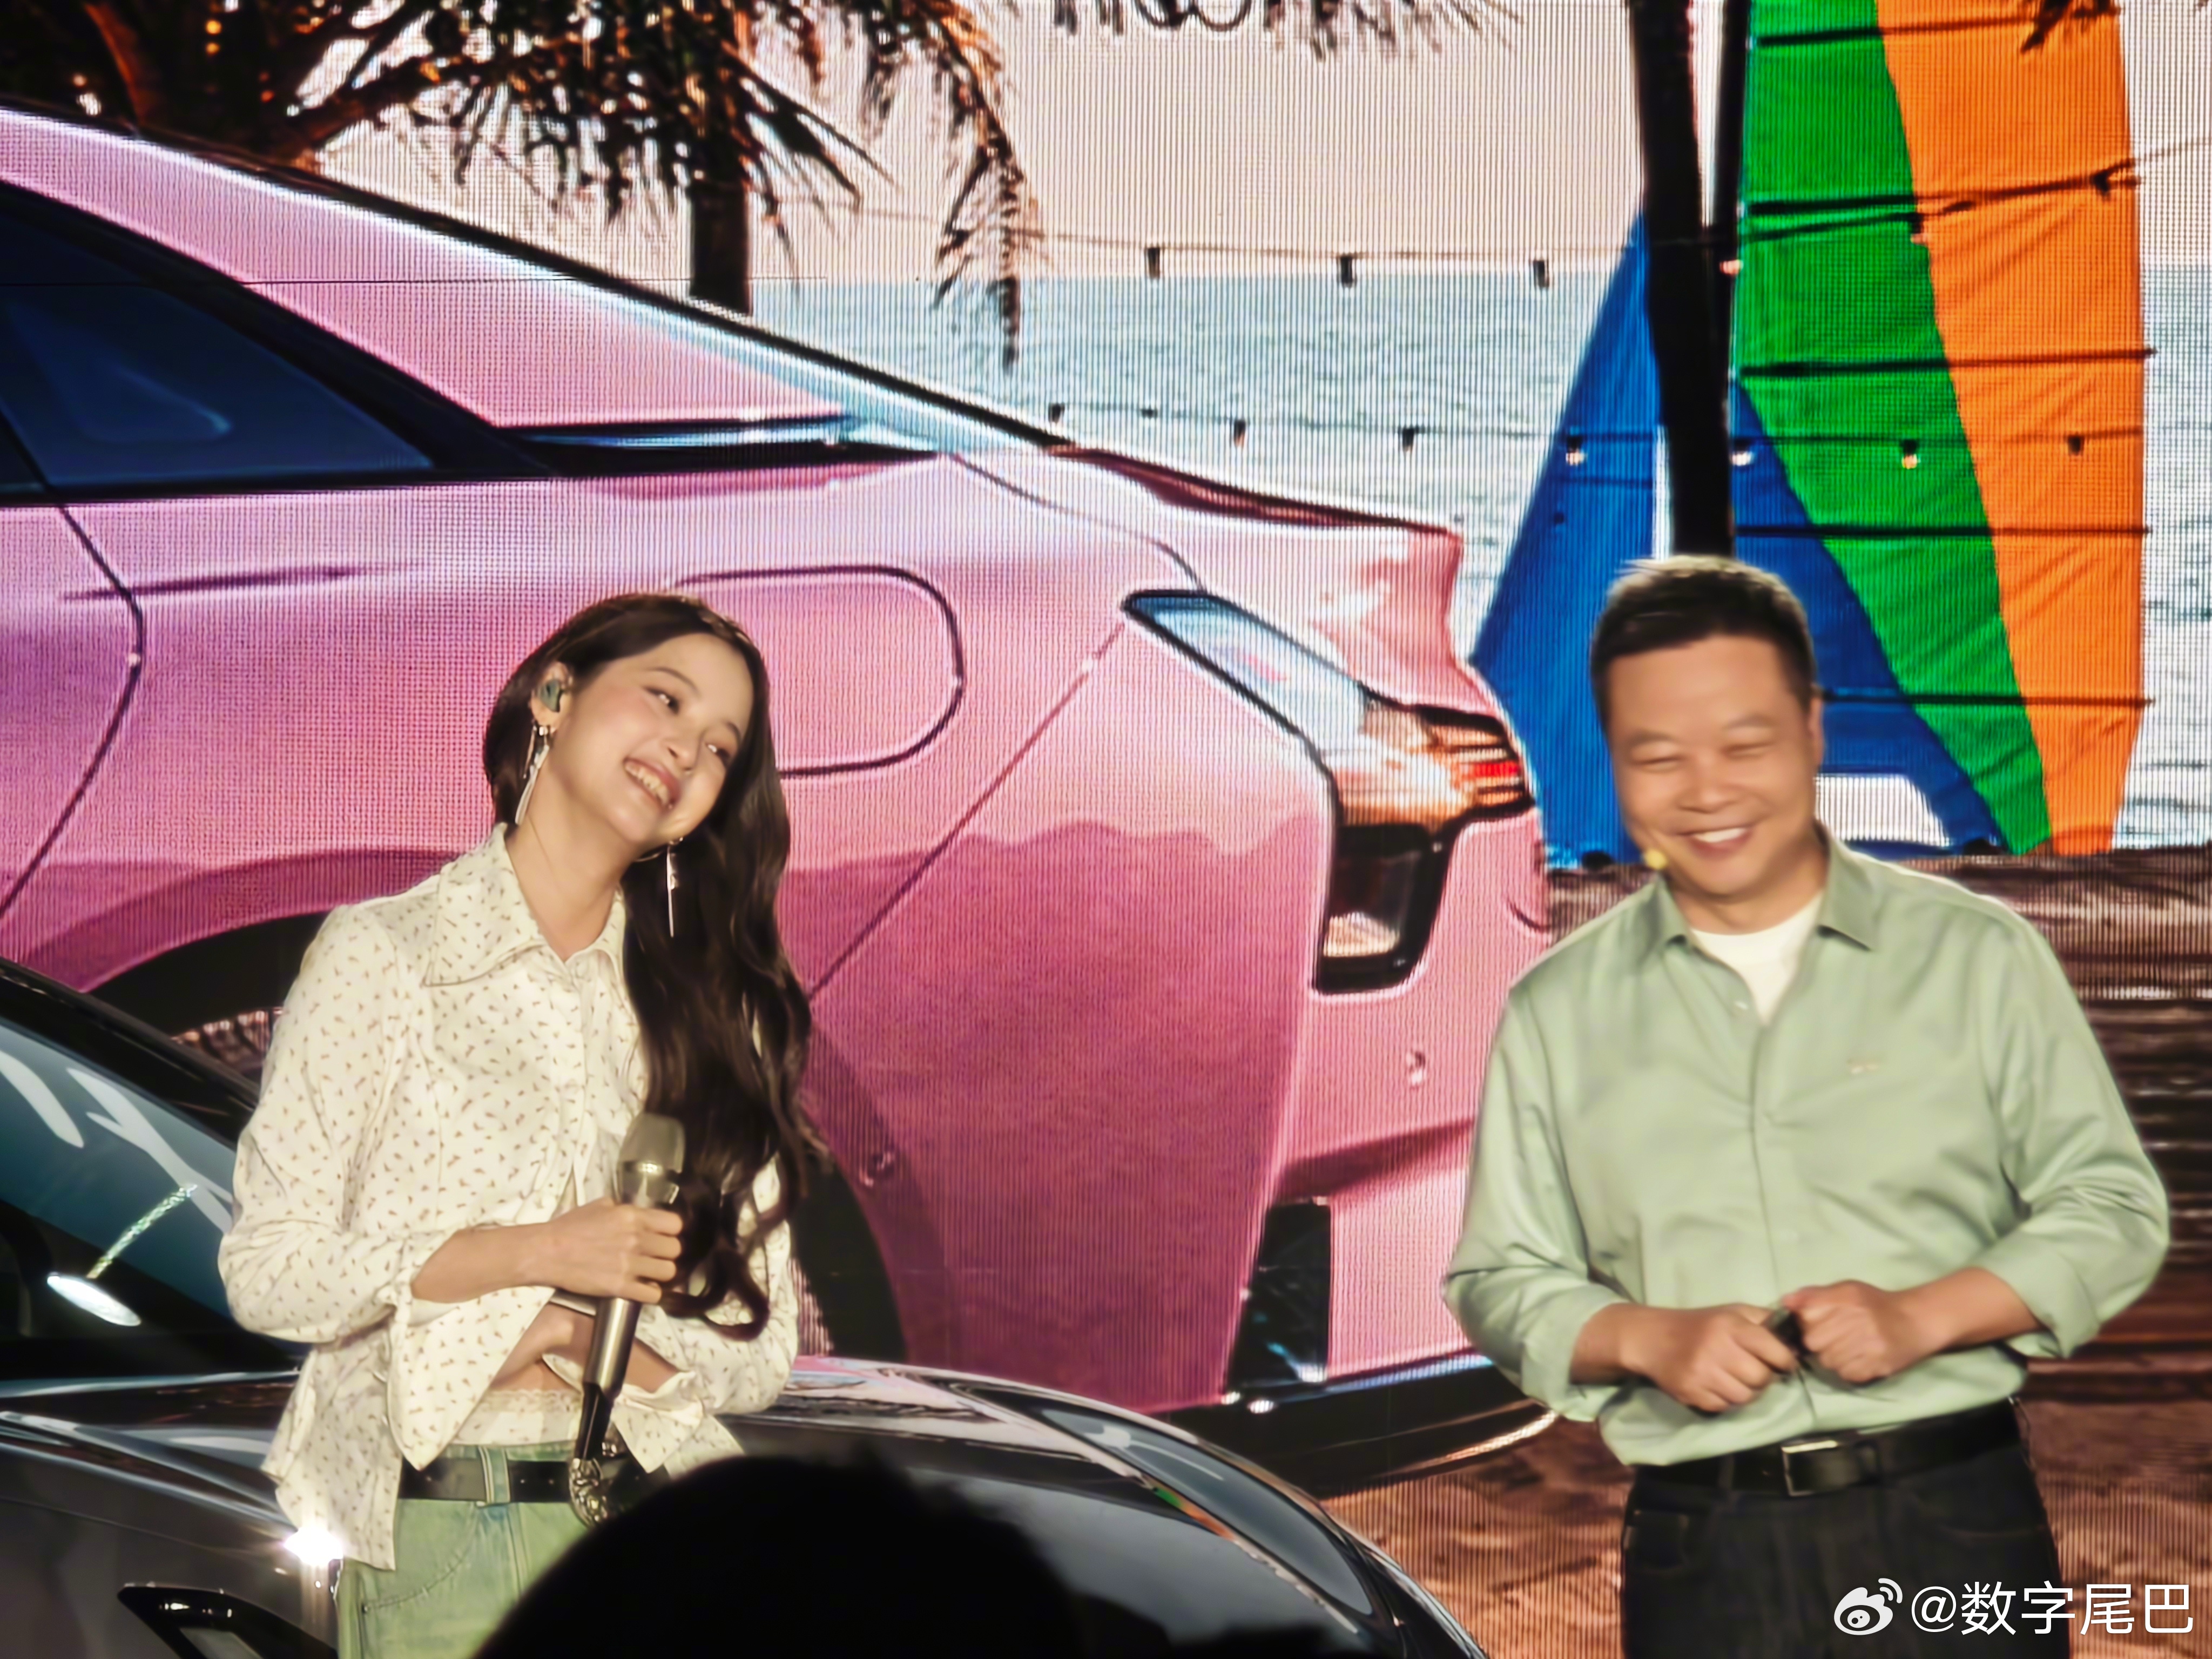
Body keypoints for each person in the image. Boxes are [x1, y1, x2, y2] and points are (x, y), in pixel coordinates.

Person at [1442, 558, 2170, 1658]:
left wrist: (1921, 1317)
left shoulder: (1976, 955)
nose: (1706, 792)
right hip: (1702, 1550)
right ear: (1612, 758)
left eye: (1744, 745)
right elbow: (1498, 1277)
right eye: (1656, 756)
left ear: (1812, 727)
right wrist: (1643, 1337)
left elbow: (2111, 1208)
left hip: (1954, 1527)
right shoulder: (1555, 1010)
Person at [220, 593, 816, 1658]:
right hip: (451, 1524)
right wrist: (534, 1258)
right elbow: (271, 1271)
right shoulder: (387, 955)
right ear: (554, 696)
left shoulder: (715, 1020)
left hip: (663, 1527)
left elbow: (758, 1356)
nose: (686, 751)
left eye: (721, 747)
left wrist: (569, 1336)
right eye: (666, 700)